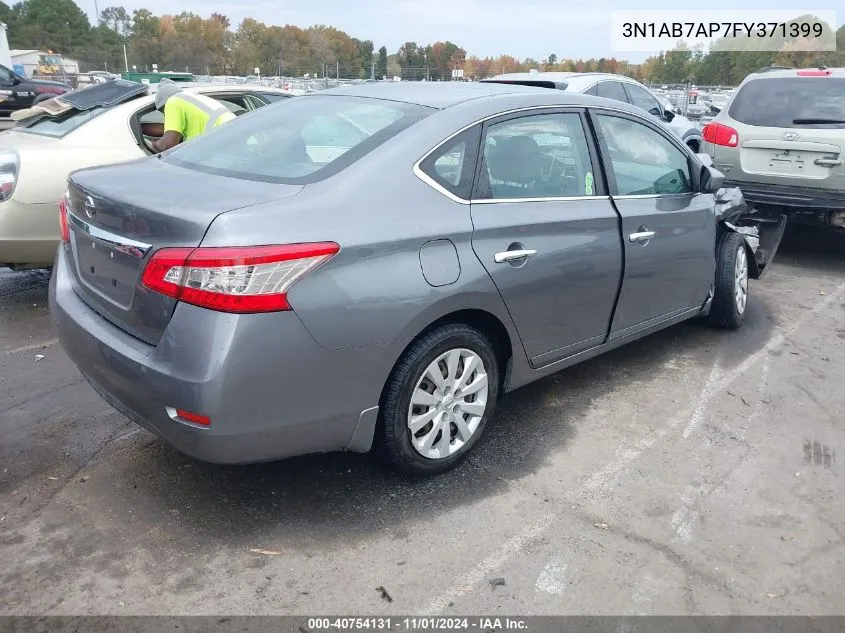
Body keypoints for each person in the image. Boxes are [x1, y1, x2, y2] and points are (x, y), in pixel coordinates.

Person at [150, 79, 236, 153]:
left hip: (226, 142)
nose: (165, 116)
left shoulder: (172, 101)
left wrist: (151, 144)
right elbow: (168, 129)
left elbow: (168, 145)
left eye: (163, 112)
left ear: (164, 105)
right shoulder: (193, 99)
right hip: (237, 135)